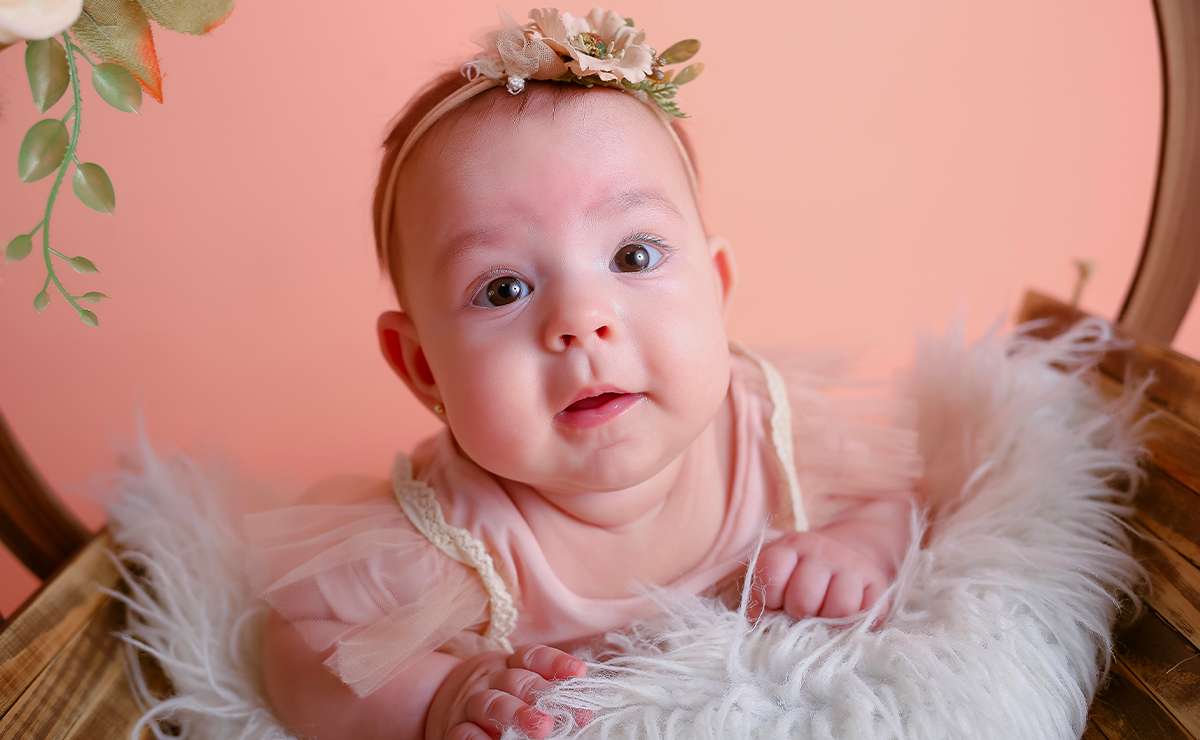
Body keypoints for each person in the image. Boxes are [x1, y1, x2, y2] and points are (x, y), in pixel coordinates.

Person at [247, 8, 924, 739]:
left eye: (633, 256)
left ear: (717, 286)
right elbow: (297, 653)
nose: (581, 320)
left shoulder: (775, 431)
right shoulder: (447, 543)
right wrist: (441, 695)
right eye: (503, 288)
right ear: (422, 367)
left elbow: (900, 496)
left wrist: (856, 550)